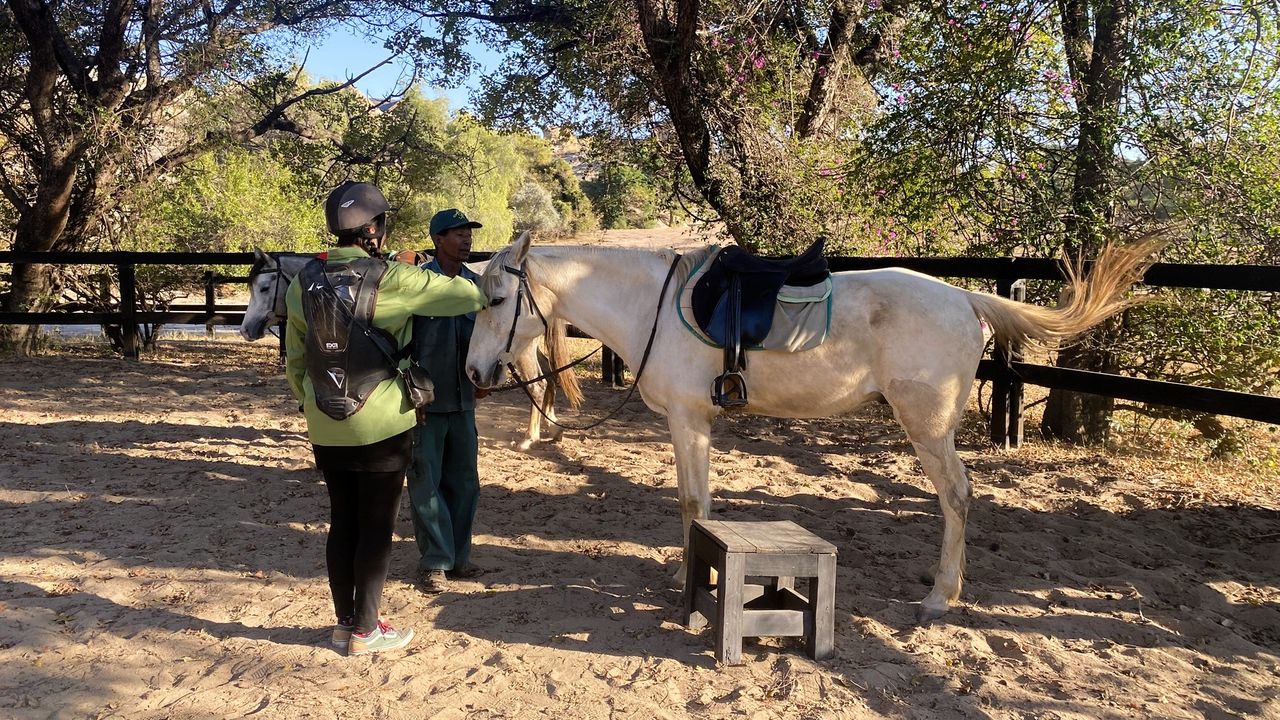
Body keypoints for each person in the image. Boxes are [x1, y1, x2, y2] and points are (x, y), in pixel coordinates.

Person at [285, 183, 487, 655]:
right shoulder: (393, 278)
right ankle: (367, 630)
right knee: (375, 528)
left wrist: (312, 403)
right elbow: (467, 296)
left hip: (324, 421)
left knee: (343, 522)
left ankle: (343, 623)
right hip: (381, 422)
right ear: (374, 229)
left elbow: (296, 360)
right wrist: (409, 264)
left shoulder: (302, 282)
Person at [403, 208, 490, 594]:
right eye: (458, 233)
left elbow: (488, 341)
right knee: (426, 482)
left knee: (466, 482)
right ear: (438, 239)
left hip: (464, 400)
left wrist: (485, 378)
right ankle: (435, 562)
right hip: (425, 402)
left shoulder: (477, 288)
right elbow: (401, 339)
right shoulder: (417, 285)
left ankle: (459, 557)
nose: (466, 239)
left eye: (468, 233)